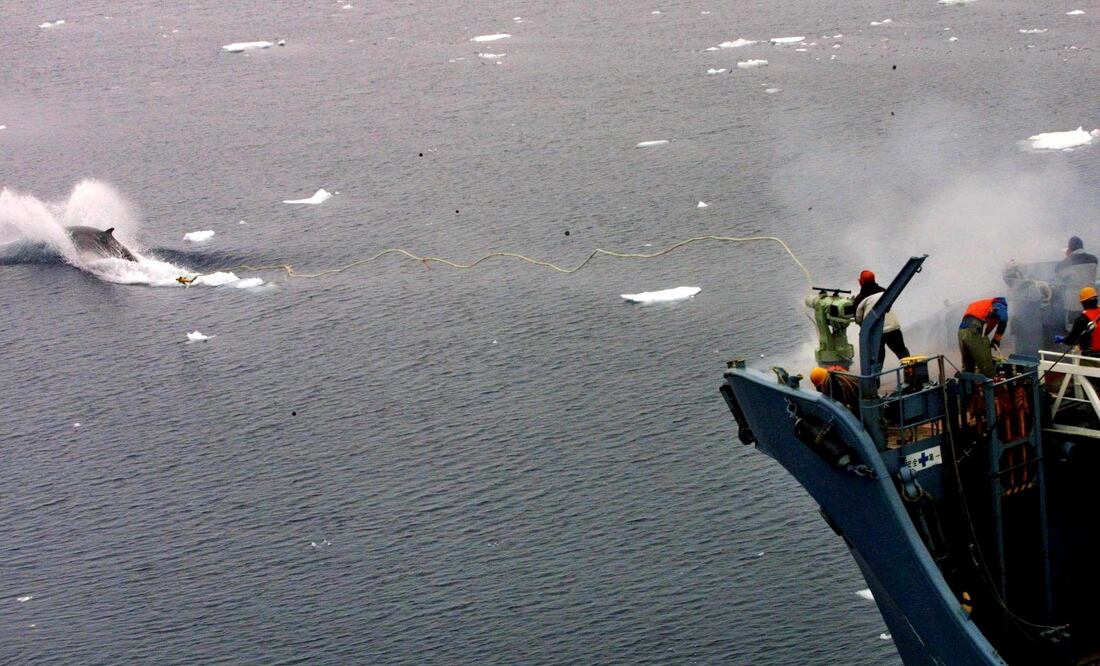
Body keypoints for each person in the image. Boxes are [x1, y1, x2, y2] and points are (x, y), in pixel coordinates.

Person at [852, 270, 912, 363]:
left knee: (877, 359)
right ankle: (911, 371)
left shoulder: (860, 298)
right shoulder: (885, 292)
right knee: (902, 352)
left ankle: (876, 376)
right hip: (893, 328)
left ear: (861, 281)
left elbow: (858, 319)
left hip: (876, 332)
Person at [1055, 236, 1097, 331]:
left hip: (1074, 303)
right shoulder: (1093, 259)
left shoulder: (1066, 263)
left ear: (1070, 249)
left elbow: (1058, 273)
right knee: (1091, 328)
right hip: (1091, 301)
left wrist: (1068, 256)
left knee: (1074, 329)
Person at [958, 297, 1008, 377]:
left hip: (961, 332)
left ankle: (967, 388)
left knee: (968, 367)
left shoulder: (982, 306)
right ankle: (991, 387)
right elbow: (1003, 319)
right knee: (987, 368)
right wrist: (996, 339)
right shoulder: (1000, 304)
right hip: (973, 331)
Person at [1055, 287, 1100, 355]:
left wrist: (1062, 339)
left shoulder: (1081, 320)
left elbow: (1072, 341)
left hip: (1092, 357)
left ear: (1083, 303)